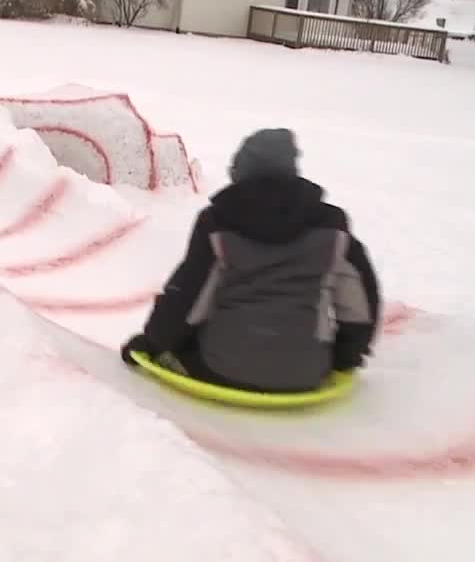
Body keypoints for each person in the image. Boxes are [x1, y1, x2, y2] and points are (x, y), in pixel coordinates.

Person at [120, 128, 381, 394]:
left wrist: (153, 343)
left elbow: (188, 298)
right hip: (305, 372)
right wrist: (346, 356)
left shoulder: (217, 223)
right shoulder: (333, 228)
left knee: (187, 345)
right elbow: (358, 304)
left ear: (240, 170)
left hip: (220, 369)